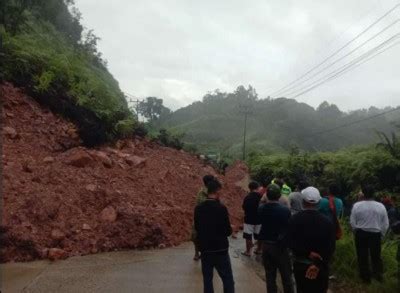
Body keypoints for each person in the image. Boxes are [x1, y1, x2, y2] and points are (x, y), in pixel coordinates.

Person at [287, 187, 335, 293]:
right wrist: (317, 265)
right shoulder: (327, 222)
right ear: (318, 202)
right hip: (321, 267)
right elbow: (331, 247)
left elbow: (289, 242)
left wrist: (307, 253)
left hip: (301, 265)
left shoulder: (294, 219)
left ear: (303, 201)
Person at [194, 179, 235, 293]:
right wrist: (231, 228)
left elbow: (197, 228)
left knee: (207, 280)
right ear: (217, 191)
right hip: (220, 249)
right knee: (227, 278)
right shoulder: (222, 208)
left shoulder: (198, 209)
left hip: (205, 249)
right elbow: (227, 231)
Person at [258, 183, 294, 293]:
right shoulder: (285, 210)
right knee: (286, 276)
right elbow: (288, 227)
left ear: (267, 195)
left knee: (270, 276)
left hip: (266, 246)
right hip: (280, 247)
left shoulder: (261, 208)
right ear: (279, 196)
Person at [350, 184, 389, 283]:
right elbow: (385, 223)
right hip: (375, 234)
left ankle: (365, 277)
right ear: (374, 194)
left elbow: (352, 222)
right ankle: (378, 275)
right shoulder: (381, 206)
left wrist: (356, 231)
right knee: (376, 256)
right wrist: (382, 234)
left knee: (362, 255)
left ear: (363, 193)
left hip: (361, 233)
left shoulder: (357, 205)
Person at [192, 175, 216, 261]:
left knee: (198, 236)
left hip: (203, 217)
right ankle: (198, 253)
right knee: (198, 236)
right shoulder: (204, 192)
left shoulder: (203, 192)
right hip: (204, 218)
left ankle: (200, 253)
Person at [242, 181, 262, 256]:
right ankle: (259, 250)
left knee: (248, 236)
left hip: (249, 219)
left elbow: (244, 207)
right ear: (257, 187)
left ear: (249, 188)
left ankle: (248, 251)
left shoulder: (247, 197)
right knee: (259, 235)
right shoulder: (260, 196)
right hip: (259, 219)